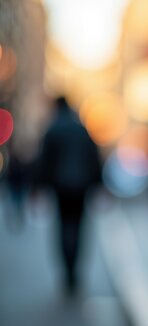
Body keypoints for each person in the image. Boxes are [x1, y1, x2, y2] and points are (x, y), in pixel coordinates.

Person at [36, 96, 102, 293]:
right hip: (81, 186)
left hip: (60, 187)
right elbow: (94, 157)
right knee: (78, 227)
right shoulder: (81, 129)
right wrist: (98, 184)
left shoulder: (53, 129)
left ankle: (67, 269)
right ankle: (75, 268)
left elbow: (44, 161)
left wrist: (38, 186)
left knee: (64, 226)